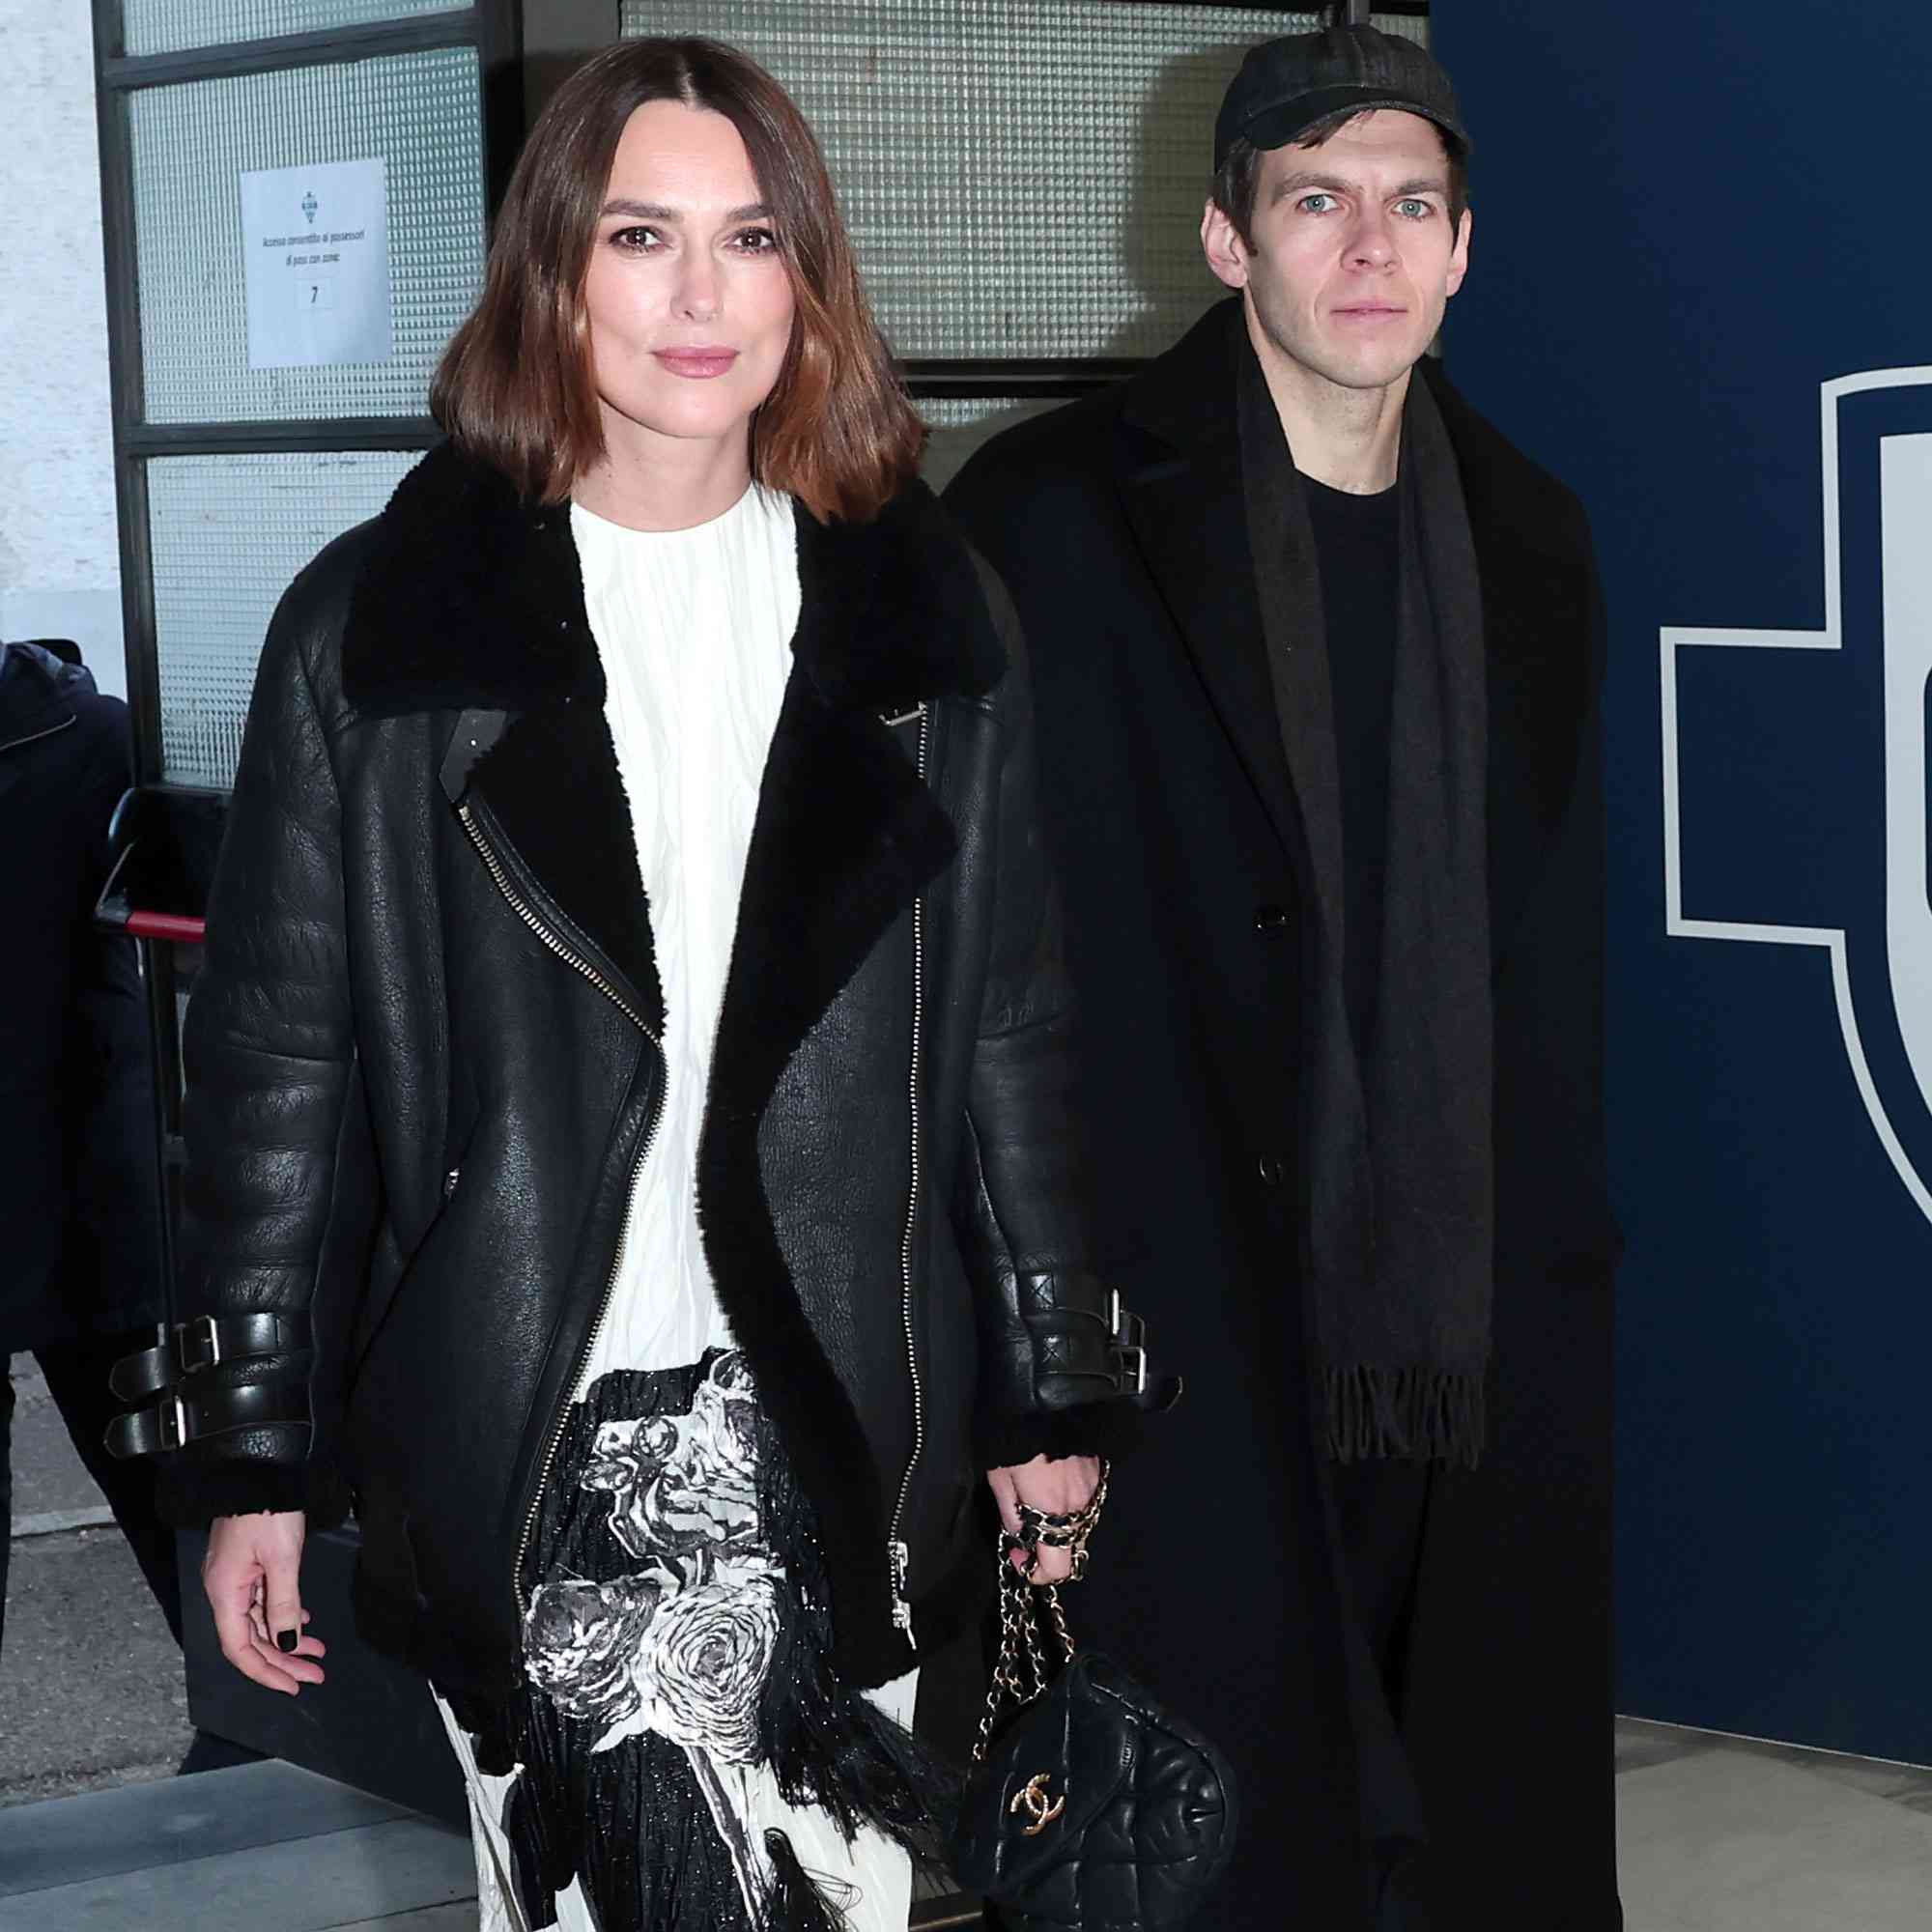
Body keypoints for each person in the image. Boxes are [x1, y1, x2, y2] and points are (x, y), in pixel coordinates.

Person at [128, 39, 1151, 1932]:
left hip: (851, 1417)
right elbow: (279, 1068)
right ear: (552, 275)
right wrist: (248, 1453)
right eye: (640, 236)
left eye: (750, 239)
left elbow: (1009, 1024)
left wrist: (1050, 1388)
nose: (699, 295)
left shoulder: (925, 622)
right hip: (532, 1428)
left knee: (835, 1893)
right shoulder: (380, 631)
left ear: (805, 280)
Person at [946, 16, 1620, 1929]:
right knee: (1211, 1858)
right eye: (1315, 201)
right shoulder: (1046, 522)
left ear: (1466, 249)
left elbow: (1545, 980)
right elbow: (984, 985)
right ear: (1228, 240)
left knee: (1480, 1851)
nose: (1371, 248)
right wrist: (1030, 1366)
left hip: (1472, 1338)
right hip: (1184, 1329)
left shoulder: (1535, 541)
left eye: (1413, 204)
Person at [0, 639, 178, 1657]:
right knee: (180, 1505)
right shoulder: (93, 733)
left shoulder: (101, 737)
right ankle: (262, 1747)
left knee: (186, 1511)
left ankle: (265, 1745)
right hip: (94, 1190)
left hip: (91, 1194)